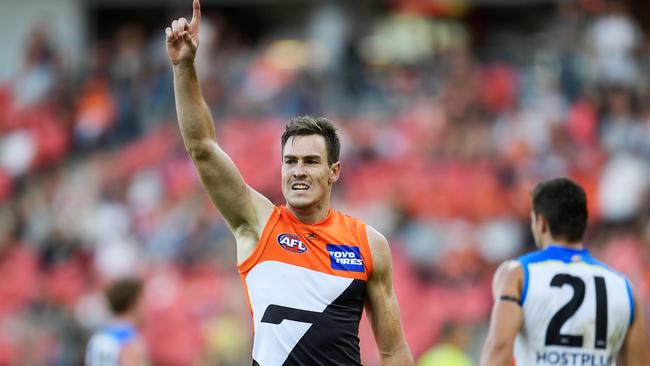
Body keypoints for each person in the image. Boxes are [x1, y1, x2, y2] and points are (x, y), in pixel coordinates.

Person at [164, 1, 413, 365]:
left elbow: (393, 350)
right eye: (290, 161)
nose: (298, 171)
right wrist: (184, 68)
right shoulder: (258, 223)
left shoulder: (369, 244)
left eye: (311, 162)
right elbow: (202, 148)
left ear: (334, 171)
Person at [480, 177, 648, 366]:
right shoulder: (624, 288)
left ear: (541, 223)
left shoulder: (517, 274)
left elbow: (499, 347)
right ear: (583, 223)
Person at [85, 278, 148, 366]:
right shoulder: (129, 339)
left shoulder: (98, 336)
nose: (146, 306)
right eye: (143, 301)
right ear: (132, 303)